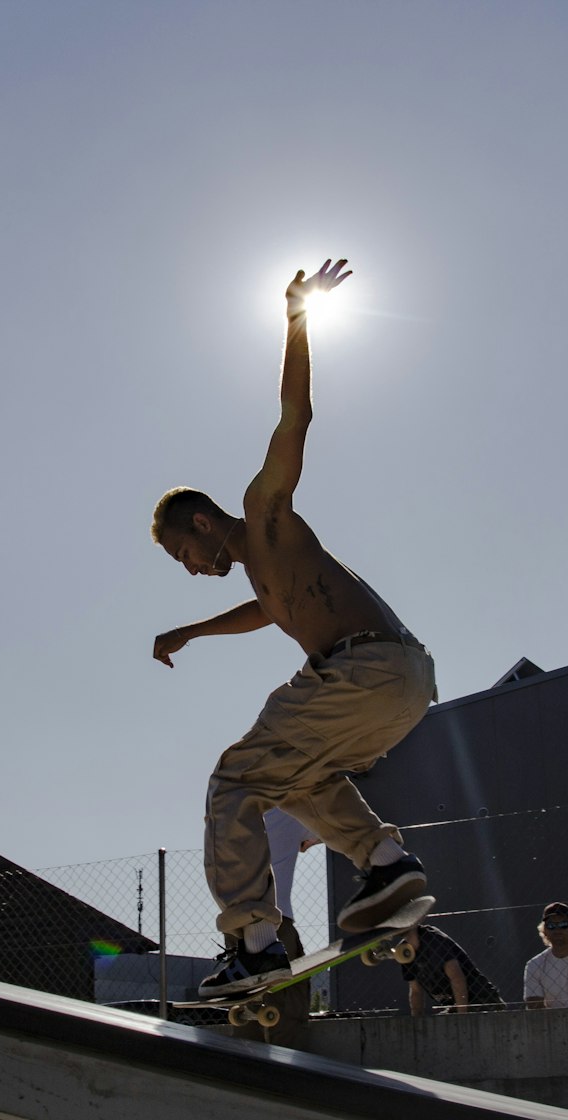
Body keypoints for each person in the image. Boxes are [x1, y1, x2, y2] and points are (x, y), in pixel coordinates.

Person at [150, 259, 437, 1000]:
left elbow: (295, 419)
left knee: (235, 779)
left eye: (187, 553)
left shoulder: (265, 511)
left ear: (207, 523)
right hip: (400, 681)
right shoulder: (264, 575)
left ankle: (253, 941)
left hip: (364, 669)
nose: (192, 567)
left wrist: (297, 319)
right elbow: (266, 611)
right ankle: (384, 864)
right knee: (295, 776)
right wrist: (192, 631)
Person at [226, 809, 319, 1047]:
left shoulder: (230, 811)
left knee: (247, 998)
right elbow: (333, 829)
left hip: (235, 924)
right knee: (287, 997)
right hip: (276, 919)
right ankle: (289, 1064)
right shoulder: (289, 810)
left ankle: (247, 1065)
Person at [400, 924, 505, 1015]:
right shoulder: (403, 951)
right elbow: (415, 991)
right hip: (455, 1006)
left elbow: (457, 978)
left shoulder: (434, 940)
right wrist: (416, 1024)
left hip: (482, 1000)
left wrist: (461, 1018)